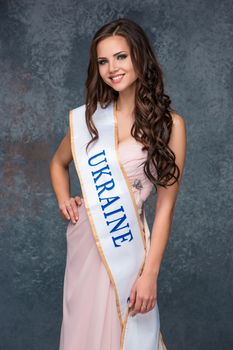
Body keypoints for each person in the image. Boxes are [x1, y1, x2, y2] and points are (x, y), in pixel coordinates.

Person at [50, 18, 186, 350]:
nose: (112, 68)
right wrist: (64, 199)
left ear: (140, 57)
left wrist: (149, 274)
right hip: (85, 243)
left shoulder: (170, 126)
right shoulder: (89, 119)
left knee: (127, 333)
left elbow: (165, 209)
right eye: (103, 61)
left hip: (126, 247)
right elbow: (57, 163)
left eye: (121, 56)